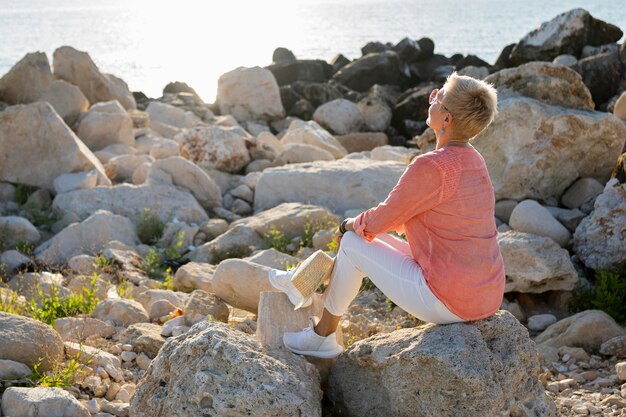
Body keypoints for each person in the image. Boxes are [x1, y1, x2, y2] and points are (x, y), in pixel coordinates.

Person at [270, 73, 505, 359]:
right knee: (359, 237)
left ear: (446, 119)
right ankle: (301, 282)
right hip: (486, 294)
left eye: (438, 96)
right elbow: (398, 221)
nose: (431, 98)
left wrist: (346, 226)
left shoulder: (432, 166)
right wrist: (358, 228)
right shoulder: (474, 160)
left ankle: (322, 335)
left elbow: (382, 219)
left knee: (354, 243)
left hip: (449, 299)